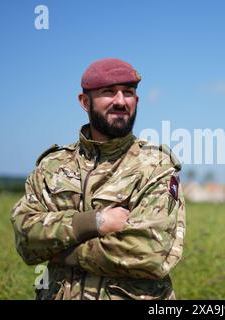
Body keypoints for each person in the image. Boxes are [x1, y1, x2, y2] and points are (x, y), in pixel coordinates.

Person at [10, 57, 186, 300]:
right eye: (109, 92)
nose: (121, 101)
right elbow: (26, 237)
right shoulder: (52, 166)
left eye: (128, 92)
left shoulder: (156, 166)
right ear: (85, 101)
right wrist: (95, 222)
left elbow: (148, 253)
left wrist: (61, 253)